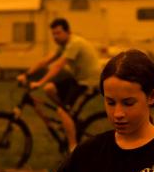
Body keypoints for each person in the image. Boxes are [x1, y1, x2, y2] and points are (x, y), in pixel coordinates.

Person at [17, 18, 101, 151]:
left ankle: (72, 149)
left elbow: (58, 65)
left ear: (68, 32)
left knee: (63, 112)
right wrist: (26, 75)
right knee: (49, 89)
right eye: (53, 34)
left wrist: (39, 82)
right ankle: (69, 117)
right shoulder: (63, 45)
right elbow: (45, 61)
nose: (55, 37)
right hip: (78, 79)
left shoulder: (75, 43)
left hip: (89, 82)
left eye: (58, 33)